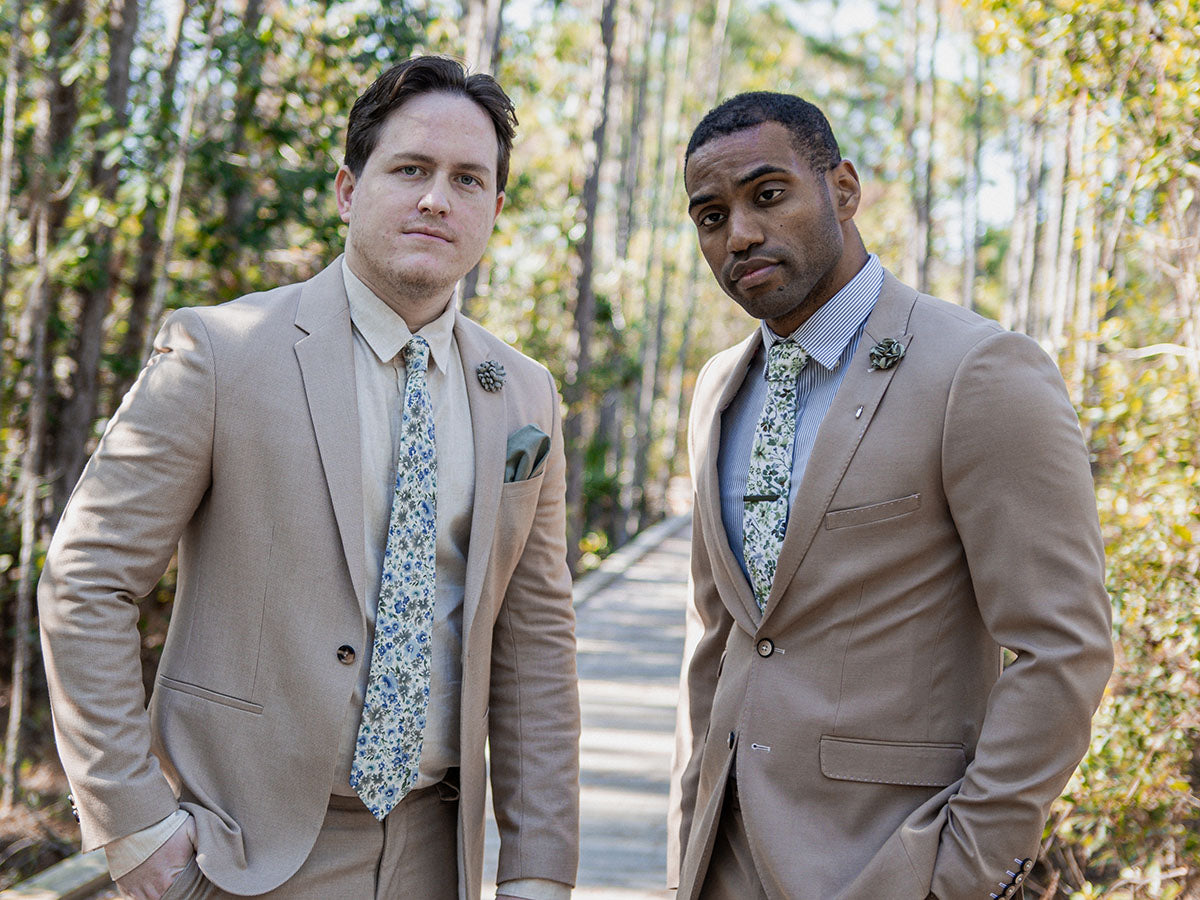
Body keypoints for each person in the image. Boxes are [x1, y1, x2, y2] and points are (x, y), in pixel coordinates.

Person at [39, 56, 579, 900]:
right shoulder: (221, 352)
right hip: (243, 855)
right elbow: (86, 579)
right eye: (411, 170)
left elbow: (536, 642)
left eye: (468, 180)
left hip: (439, 856)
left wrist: (541, 869)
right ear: (347, 190)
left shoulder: (524, 395)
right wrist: (135, 824)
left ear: (495, 212)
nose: (438, 198)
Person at [667, 91, 1114, 900]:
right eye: (710, 215)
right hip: (722, 863)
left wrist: (966, 871)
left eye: (768, 195)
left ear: (842, 188)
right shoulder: (717, 390)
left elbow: (1063, 647)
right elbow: (719, 638)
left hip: (887, 865)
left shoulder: (979, 373)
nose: (739, 234)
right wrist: (689, 838)